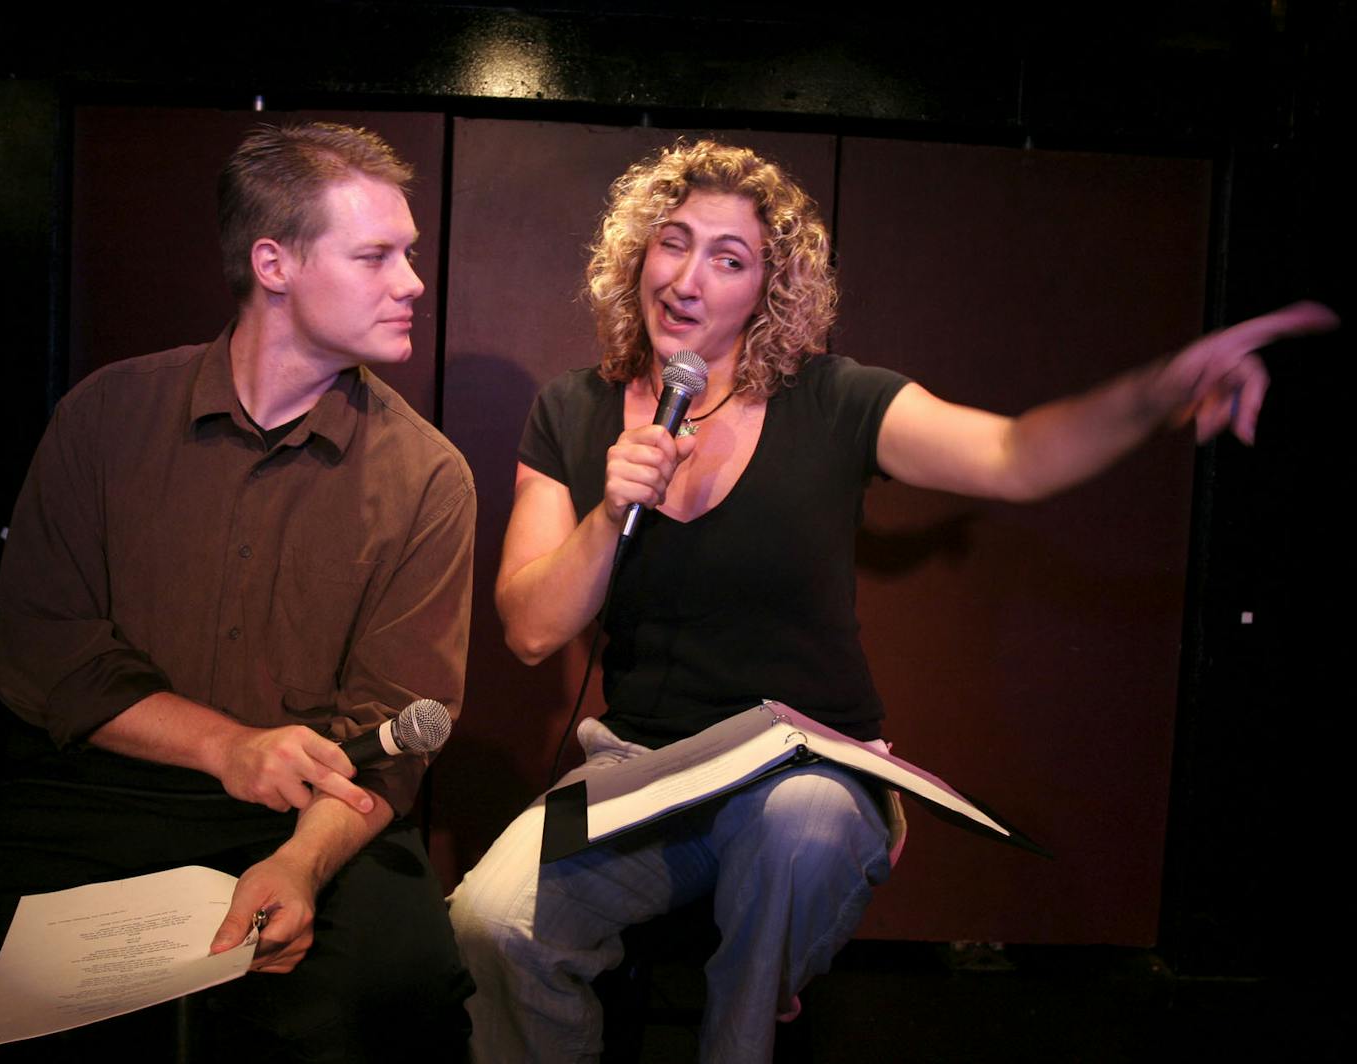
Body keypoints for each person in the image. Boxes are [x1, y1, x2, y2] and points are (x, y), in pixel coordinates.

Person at [446, 139, 1337, 1063]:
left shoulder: (839, 402)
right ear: (638, 256)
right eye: (674, 242)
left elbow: (1016, 456)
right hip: (643, 768)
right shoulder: (572, 412)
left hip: (800, 765)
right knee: (488, 920)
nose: (688, 277)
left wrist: (1160, 390)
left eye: (730, 258)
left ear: (767, 291)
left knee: (802, 830)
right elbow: (531, 629)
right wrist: (609, 512)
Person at [0, 122, 475, 1061]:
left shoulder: (429, 477)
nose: (412, 282)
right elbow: (45, 654)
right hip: (98, 796)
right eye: (376, 255)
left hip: (319, 817)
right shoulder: (105, 416)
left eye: (411, 254)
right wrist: (230, 746)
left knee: (397, 988)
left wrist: (300, 865)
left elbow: (396, 727)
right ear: (274, 262)